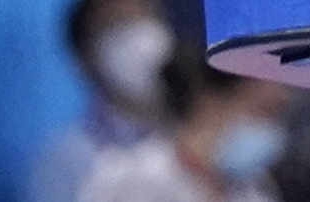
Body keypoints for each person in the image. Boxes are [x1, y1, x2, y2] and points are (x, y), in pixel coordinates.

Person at [30, 0, 173, 202]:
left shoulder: (203, 132)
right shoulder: (65, 162)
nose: (142, 42)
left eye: (147, 19)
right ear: (84, 56)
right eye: (119, 26)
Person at [79, 61, 290, 202]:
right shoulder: (125, 179)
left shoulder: (256, 191)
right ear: (209, 101)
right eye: (264, 112)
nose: (269, 128)